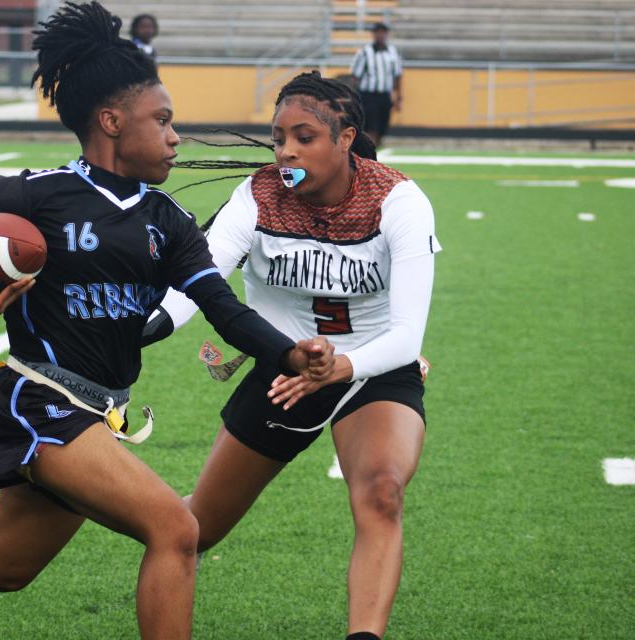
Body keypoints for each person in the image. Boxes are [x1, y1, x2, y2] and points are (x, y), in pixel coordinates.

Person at [0, 4, 334, 640]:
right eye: (163, 121)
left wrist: (290, 355)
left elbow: (222, 308)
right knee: (176, 529)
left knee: (3, 566)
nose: (176, 136)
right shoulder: (39, 194)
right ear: (112, 122)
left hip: (102, 413)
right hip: (40, 402)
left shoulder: (168, 222)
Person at [147, 71, 441, 640]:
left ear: (347, 136)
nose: (285, 151)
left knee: (382, 491)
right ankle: (95, 497)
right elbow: (199, 277)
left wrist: (343, 366)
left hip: (373, 368)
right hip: (285, 371)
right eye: (279, 137)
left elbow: (407, 335)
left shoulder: (398, 201)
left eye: (304, 136)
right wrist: (152, 324)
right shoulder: (257, 195)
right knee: (195, 528)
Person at [349, 22, 403, 147]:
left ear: (387, 34)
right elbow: (355, 76)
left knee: (382, 128)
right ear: (373, 34)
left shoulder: (392, 52)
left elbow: (397, 76)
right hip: (368, 95)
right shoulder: (364, 53)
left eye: (383, 32)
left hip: (384, 95)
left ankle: (373, 152)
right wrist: (353, 98)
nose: (380, 35)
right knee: (371, 128)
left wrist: (398, 97)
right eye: (377, 32)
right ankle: (369, 155)